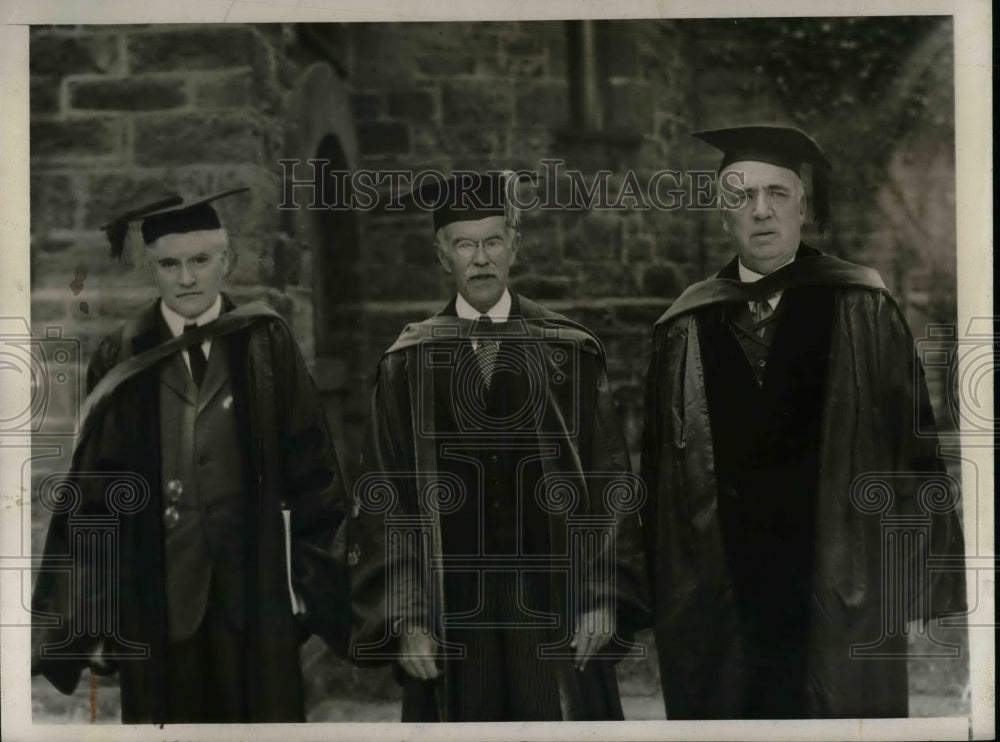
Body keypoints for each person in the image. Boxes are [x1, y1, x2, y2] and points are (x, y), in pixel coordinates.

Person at [639, 125, 967, 719]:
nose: (760, 212)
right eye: (741, 196)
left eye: (778, 194)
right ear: (722, 214)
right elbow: (657, 479)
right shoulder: (683, 326)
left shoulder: (864, 306)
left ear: (803, 207)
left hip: (841, 590)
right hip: (725, 596)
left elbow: (913, 449)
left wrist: (920, 582)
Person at [31, 188, 349, 723]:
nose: (187, 278)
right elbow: (96, 495)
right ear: (150, 269)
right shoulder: (124, 353)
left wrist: (310, 595)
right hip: (157, 597)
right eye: (170, 264)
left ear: (225, 261)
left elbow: (314, 471)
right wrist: (97, 616)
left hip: (254, 594)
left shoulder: (265, 344)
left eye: (201, 261)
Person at [347, 171, 649, 722]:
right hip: (452, 611)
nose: (480, 258)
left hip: (554, 603)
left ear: (514, 245)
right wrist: (409, 617)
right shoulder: (406, 363)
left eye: (492, 241)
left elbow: (611, 483)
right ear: (443, 256)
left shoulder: (568, 351)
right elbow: (384, 501)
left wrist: (604, 598)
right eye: (464, 244)